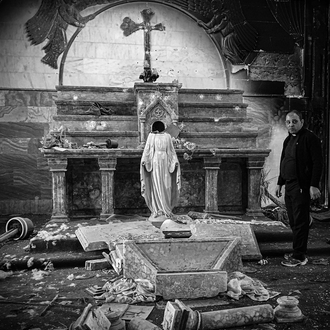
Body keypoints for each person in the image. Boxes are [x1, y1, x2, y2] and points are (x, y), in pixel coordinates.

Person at [275, 110, 323, 267]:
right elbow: (284, 160)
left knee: (301, 221)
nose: (291, 125)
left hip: (302, 186)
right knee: (294, 221)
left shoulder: (310, 138)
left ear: (302, 122)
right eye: (288, 122)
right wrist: (279, 183)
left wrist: (314, 185)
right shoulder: (288, 139)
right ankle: (298, 250)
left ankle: (299, 257)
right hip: (289, 185)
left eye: (294, 121)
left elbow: (318, 163)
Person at [140, 123, 181, 220]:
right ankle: (157, 209)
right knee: (156, 184)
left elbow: (171, 151)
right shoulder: (151, 136)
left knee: (167, 185)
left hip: (166, 162)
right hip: (155, 162)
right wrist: (145, 160)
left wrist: (174, 161)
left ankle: (167, 209)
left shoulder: (167, 136)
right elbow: (147, 150)